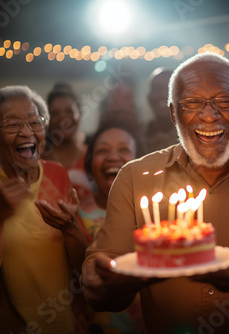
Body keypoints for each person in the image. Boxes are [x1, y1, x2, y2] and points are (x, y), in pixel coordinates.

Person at [81, 52, 229, 333]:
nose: (209, 115)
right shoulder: (135, 177)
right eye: (193, 102)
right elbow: (99, 289)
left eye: (223, 102)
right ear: (173, 112)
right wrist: (124, 278)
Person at [0, 85, 89, 333]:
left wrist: (71, 229)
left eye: (35, 121)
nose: (26, 132)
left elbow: (83, 265)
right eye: (11, 124)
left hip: (63, 325)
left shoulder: (57, 173)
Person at [79, 123, 146, 333]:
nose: (113, 157)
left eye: (124, 150)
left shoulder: (155, 214)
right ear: (89, 165)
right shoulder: (74, 213)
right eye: (102, 150)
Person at [42, 82, 94, 205]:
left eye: (69, 111)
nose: (63, 118)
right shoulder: (40, 161)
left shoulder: (93, 157)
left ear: (79, 114)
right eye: (55, 113)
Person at [144, 67, 178, 153]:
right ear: (149, 97)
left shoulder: (193, 138)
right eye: (157, 88)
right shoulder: (137, 137)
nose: (163, 94)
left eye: (169, 89)